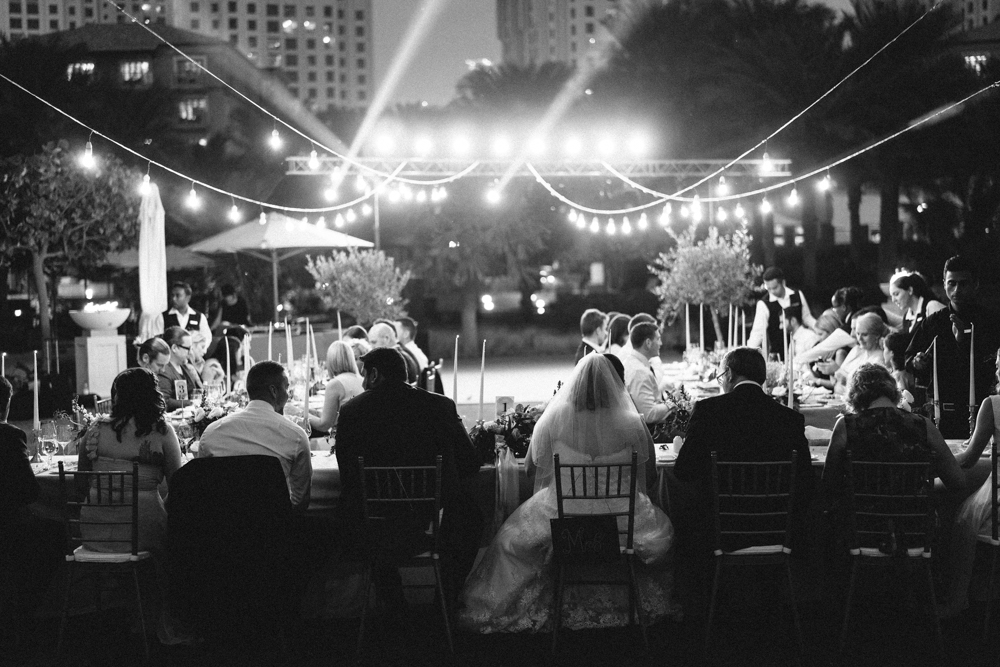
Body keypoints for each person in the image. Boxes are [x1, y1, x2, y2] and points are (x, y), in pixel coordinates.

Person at [460, 354, 678, 633]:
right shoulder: (633, 422)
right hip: (622, 524)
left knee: (509, 541)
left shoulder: (554, 419)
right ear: (616, 384)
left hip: (564, 524)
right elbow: (649, 476)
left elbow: (530, 471)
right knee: (666, 532)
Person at [335, 347, 483, 606]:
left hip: (374, 527)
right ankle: (444, 599)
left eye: (364, 374)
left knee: (352, 509)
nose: (361, 382)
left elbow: (347, 475)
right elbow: (470, 464)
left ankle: (392, 600)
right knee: (470, 513)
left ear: (375, 374)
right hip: (428, 520)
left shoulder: (351, 412)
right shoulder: (440, 406)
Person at [671, 347, 815, 552]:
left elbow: (683, 471)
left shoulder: (708, 410)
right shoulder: (790, 419)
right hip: (776, 526)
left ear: (729, 373)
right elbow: (806, 478)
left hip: (718, 528)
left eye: (721, 377)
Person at [821, 364, 967, 536]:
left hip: (861, 527)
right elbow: (958, 482)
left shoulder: (847, 426)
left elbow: (828, 485)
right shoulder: (923, 425)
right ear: (892, 391)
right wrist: (923, 485)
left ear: (854, 395)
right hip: (915, 526)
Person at [76, 368, 183, 553]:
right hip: (144, 530)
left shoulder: (95, 429)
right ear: (152, 395)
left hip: (95, 530)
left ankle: (110, 580)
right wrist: (157, 508)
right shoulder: (163, 431)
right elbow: (179, 486)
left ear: (118, 396)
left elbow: (80, 484)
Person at [198, 361, 312, 511]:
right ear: (274, 391)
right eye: (286, 387)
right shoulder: (295, 436)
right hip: (273, 527)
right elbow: (300, 502)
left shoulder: (212, 433)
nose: (288, 394)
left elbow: (202, 489)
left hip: (224, 526)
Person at [906, 256, 1000, 438]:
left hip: (983, 412)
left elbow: (991, 365)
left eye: (963, 284)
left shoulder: (991, 321)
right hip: (941, 412)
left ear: (975, 284)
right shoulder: (933, 322)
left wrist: (965, 341)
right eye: (952, 283)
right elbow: (909, 358)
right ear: (944, 283)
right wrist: (918, 362)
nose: (957, 290)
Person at [0, 377, 63, 644]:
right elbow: (30, 492)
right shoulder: (11, 436)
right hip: (7, 523)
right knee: (57, 534)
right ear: (7, 404)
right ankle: (22, 613)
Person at [940, 346, 1000, 617]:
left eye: (999, 364)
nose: (996, 370)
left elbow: (968, 459)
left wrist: (940, 456)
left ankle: (958, 595)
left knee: (963, 515)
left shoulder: (993, 405)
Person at [807, 313, 888, 394]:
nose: (860, 338)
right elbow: (837, 381)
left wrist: (836, 370)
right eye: (858, 333)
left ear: (876, 335)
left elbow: (864, 388)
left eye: (865, 335)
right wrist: (831, 372)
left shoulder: (879, 359)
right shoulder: (856, 350)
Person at [747, 267, 816, 360]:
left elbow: (807, 318)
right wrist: (747, 353)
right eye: (768, 288)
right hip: (779, 354)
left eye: (775, 288)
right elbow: (757, 333)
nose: (772, 291)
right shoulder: (763, 304)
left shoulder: (797, 295)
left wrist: (821, 330)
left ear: (783, 282)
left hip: (800, 349)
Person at [622, 322, 676, 426]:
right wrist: (673, 401)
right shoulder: (639, 372)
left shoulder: (631, 361)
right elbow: (649, 415)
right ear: (648, 343)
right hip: (648, 432)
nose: (661, 343)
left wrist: (661, 389)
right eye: (658, 339)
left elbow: (641, 398)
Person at [308, 341, 363, 435]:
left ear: (331, 361)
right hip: (360, 436)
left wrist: (301, 414)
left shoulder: (335, 384)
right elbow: (338, 417)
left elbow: (324, 425)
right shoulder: (362, 380)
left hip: (345, 440)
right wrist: (315, 413)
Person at [152, 281, 213, 348]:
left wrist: (198, 350)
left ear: (188, 297)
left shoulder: (199, 317)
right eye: (172, 295)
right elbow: (157, 340)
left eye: (178, 296)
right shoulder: (162, 317)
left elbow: (207, 338)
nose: (174, 299)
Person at [157, 327, 203, 410]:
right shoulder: (164, 370)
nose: (190, 352)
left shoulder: (185, 367)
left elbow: (197, 391)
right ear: (174, 348)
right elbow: (164, 401)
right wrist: (192, 403)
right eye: (187, 348)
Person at [889, 270, 945, 336]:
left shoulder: (932, 307)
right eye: (891, 296)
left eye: (896, 294)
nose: (893, 300)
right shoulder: (906, 318)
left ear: (910, 290)